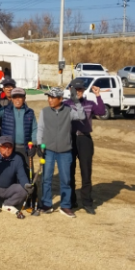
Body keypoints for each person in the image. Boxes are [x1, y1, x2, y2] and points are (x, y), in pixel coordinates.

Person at [36, 87, 86, 218]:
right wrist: (38, 145)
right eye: (49, 97)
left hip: (65, 151)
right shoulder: (44, 111)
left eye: (53, 98)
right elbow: (40, 128)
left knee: (66, 180)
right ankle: (46, 204)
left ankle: (65, 206)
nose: (50, 100)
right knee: (46, 178)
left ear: (60, 99)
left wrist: (76, 101)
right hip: (49, 150)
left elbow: (82, 115)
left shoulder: (69, 111)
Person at [64, 80, 105, 215]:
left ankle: (87, 202)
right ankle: (71, 200)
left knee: (86, 172)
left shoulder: (89, 103)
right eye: (76, 89)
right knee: (69, 172)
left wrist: (98, 95)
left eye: (81, 89)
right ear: (71, 90)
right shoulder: (65, 105)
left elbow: (102, 111)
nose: (79, 92)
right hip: (69, 139)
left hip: (85, 139)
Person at [0, 136, 33, 215]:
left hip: (9, 188)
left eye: (10, 147)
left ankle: (8, 204)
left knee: (23, 190)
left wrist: (26, 185)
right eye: (4, 146)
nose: (7, 149)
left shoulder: (17, 158)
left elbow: (22, 176)